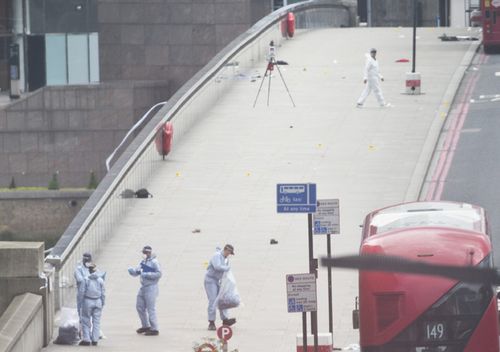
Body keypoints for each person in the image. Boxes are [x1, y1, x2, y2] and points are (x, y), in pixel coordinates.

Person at [128, 245, 162, 336]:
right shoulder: (143, 261)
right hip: (143, 287)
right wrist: (133, 271)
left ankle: (154, 328)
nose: (143, 254)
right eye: (143, 252)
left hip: (151, 287)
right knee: (139, 306)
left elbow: (159, 274)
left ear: (149, 253)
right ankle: (145, 325)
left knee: (151, 308)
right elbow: (138, 271)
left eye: (145, 253)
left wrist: (146, 274)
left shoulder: (154, 262)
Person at [204, 244, 236, 331]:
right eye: (229, 253)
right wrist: (227, 268)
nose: (229, 255)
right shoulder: (217, 256)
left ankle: (225, 319)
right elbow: (217, 267)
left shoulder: (226, 259)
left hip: (218, 281)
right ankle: (211, 322)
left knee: (222, 299)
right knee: (213, 300)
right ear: (226, 250)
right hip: (210, 280)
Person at [78, 263, 105, 346]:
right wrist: (103, 302)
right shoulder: (100, 280)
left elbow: (81, 292)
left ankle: (86, 339)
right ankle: (95, 339)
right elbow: (103, 293)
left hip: (88, 301)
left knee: (85, 320)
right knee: (96, 321)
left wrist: (80, 303)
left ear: (88, 270)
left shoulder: (85, 280)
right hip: (98, 301)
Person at [74, 252, 92, 322]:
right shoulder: (79, 269)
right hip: (82, 295)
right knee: (82, 314)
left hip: (91, 295)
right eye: (86, 260)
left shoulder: (93, 268)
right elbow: (79, 279)